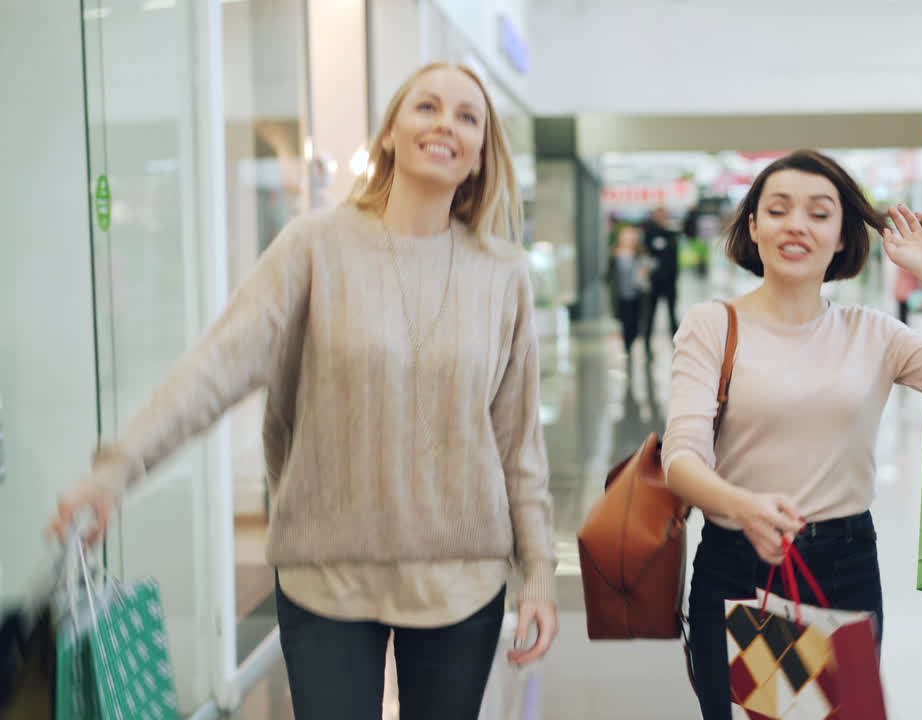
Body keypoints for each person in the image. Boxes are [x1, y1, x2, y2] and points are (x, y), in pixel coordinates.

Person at [48, 62, 558, 720]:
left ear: (482, 154)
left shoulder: (502, 274)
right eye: (426, 107)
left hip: (461, 584)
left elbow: (520, 445)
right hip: (328, 580)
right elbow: (217, 365)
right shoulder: (314, 247)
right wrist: (117, 469)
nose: (445, 125)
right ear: (389, 134)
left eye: (467, 117)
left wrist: (540, 570)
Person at [661, 149, 922, 719]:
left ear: (844, 235)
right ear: (753, 228)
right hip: (738, 565)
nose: (796, 224)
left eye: (819, 213)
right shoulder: (713, 325)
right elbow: (681, 459)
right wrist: (744, 507)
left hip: (843, 567)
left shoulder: (872, 333)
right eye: (777, 210)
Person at [607, 224, 654, 362]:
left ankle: (631, 344)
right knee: (624, 323)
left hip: (637, 295)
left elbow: (648, 272)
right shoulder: (614, 255)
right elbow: (608, 276)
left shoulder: (640, 254)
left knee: (635, 323)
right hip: (621, 295)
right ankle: (627, 347)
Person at [642, 206, 681, 355]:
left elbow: (674, 258)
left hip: (670, 282)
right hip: (654, 283)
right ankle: (646, 343)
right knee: (651, 313)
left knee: (672, 313)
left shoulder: (671, 235)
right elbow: (647, 254)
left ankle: (677, 343)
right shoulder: (650, 234)